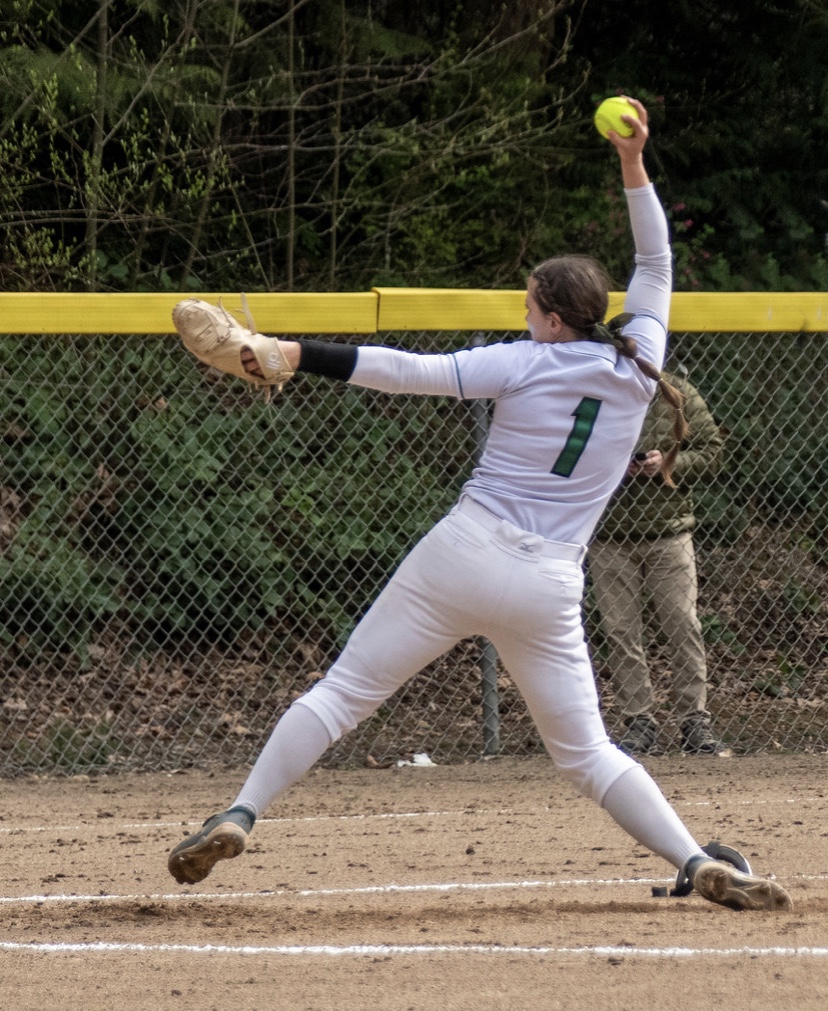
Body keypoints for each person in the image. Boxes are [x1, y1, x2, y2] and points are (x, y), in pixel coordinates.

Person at [167, 98, 791, 912]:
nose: (523, 314)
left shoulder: (523, 363)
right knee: (591, 754)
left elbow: (404, 370)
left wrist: (288, 352)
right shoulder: (638, 363)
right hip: (547, 585)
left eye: (530, 304)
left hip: (463, 553)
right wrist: (634, 161)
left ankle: (242, 810)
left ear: (552, 318)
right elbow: (657, 260)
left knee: (342, 694)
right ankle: (696, 856)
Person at [589, 372, 727, 756]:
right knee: (620, 630)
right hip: (609, 536)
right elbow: (569, 453)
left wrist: (667, 463)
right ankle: (639, 721)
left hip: (669, 532)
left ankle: (694, 721)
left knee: (683, 624)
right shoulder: (593, 390)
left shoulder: (677, 393)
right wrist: (616, 466)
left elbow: (713, 452)